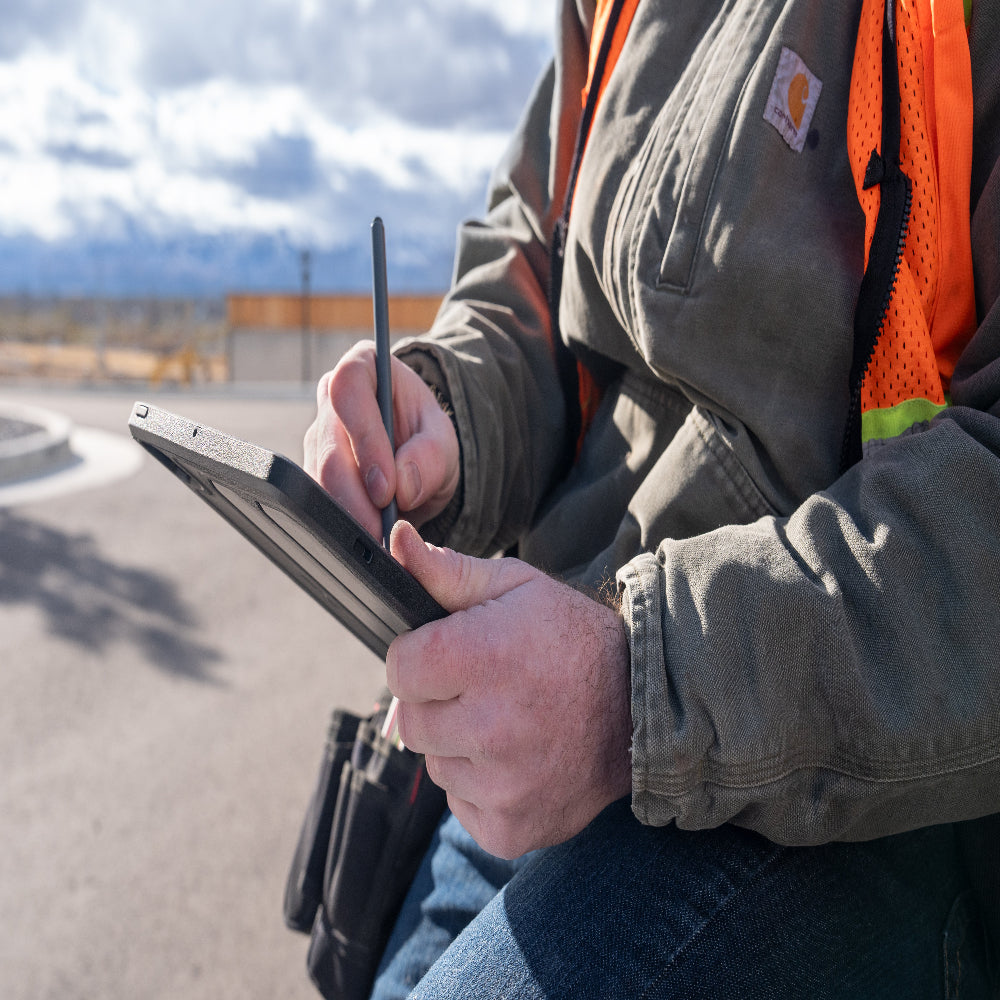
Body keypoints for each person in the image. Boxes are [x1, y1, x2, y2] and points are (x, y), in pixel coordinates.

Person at [304, 0, 1000, 995]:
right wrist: (450, 417)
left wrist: (638, 689)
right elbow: (539, 270)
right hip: (558, 720)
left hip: (858, 797)